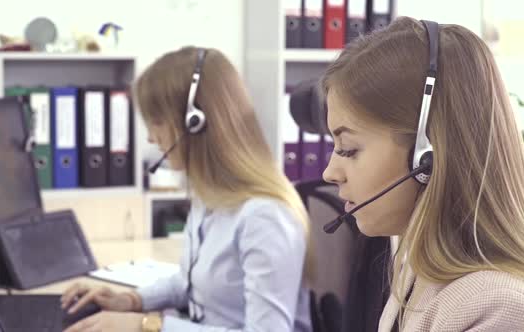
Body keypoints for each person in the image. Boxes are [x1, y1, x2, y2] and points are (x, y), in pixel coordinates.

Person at [61, 46, 313, 332]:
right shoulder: (210, 197)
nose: (150, 137)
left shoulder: (264, 216)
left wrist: (148, 326)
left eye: (156, 122)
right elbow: (188, 282)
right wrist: (131, 300)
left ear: (195, 123)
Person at [321, 16, 524, 331]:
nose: (329, 173)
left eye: (348, 149)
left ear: (426, 157)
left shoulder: (497, 308)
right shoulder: (415, 274)